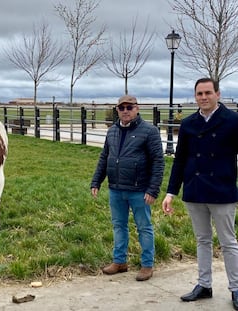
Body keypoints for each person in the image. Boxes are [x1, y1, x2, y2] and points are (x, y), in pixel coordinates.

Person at [162, 77, 238, 310]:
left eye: (207, 93)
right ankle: (204, 285)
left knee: (228, 242)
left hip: (222, 190)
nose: (203, 98)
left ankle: (236, 288)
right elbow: (181, 159)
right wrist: (171, 192)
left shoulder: (232, 120)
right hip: (195, 189)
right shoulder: (188, 124)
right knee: (202, 240)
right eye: (199, 94)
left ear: (218, 94)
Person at [90, 95, 164, 281]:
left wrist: (153, 189)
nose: (125, 111)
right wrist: (96, 181)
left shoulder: (149, 131)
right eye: (121, 108)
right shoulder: (112, 131)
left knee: (144, 227)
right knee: (118, 226)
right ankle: (119, 261)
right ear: (117, 110)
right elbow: (104, 157)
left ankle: (147, 264)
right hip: (116, 188)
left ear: (137, 108)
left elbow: (158, 162)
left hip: (139, 190)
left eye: (129, 107)